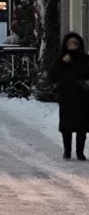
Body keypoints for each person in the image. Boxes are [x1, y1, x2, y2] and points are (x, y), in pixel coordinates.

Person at [49, 31, 89, 160]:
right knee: (66, 126)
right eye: (69, 43)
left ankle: (80, 152)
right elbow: (53, 75)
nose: (72, 46)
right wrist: (62, 63)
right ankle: (67, 151)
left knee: (81, 127)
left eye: (75, 43)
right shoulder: (62, 59)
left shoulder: (85, 59)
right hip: (66, 96)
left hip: (82, 96)